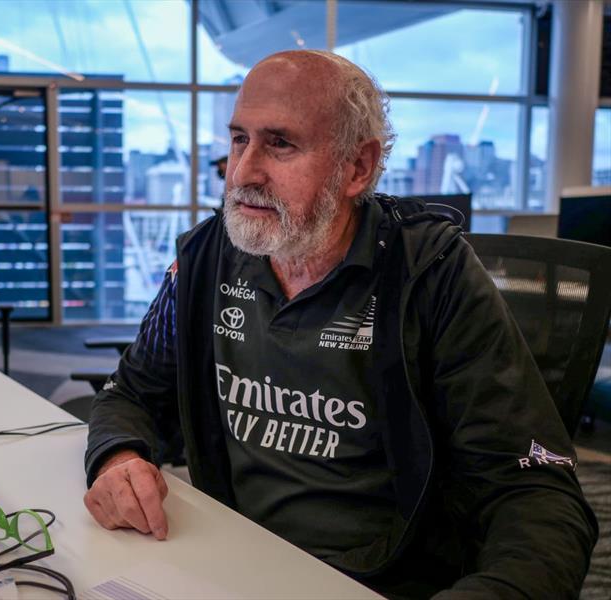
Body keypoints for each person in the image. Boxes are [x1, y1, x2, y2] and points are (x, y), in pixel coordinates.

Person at [83, 51, 597, 598]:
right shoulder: (208, 256)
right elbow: (132, 393)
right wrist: (119, 457)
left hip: (384, 580)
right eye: (239, 140)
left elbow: (536, 494)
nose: (243, 172)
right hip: (227, 561)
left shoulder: (430, 274)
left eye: (279, 143)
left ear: (358, 168)